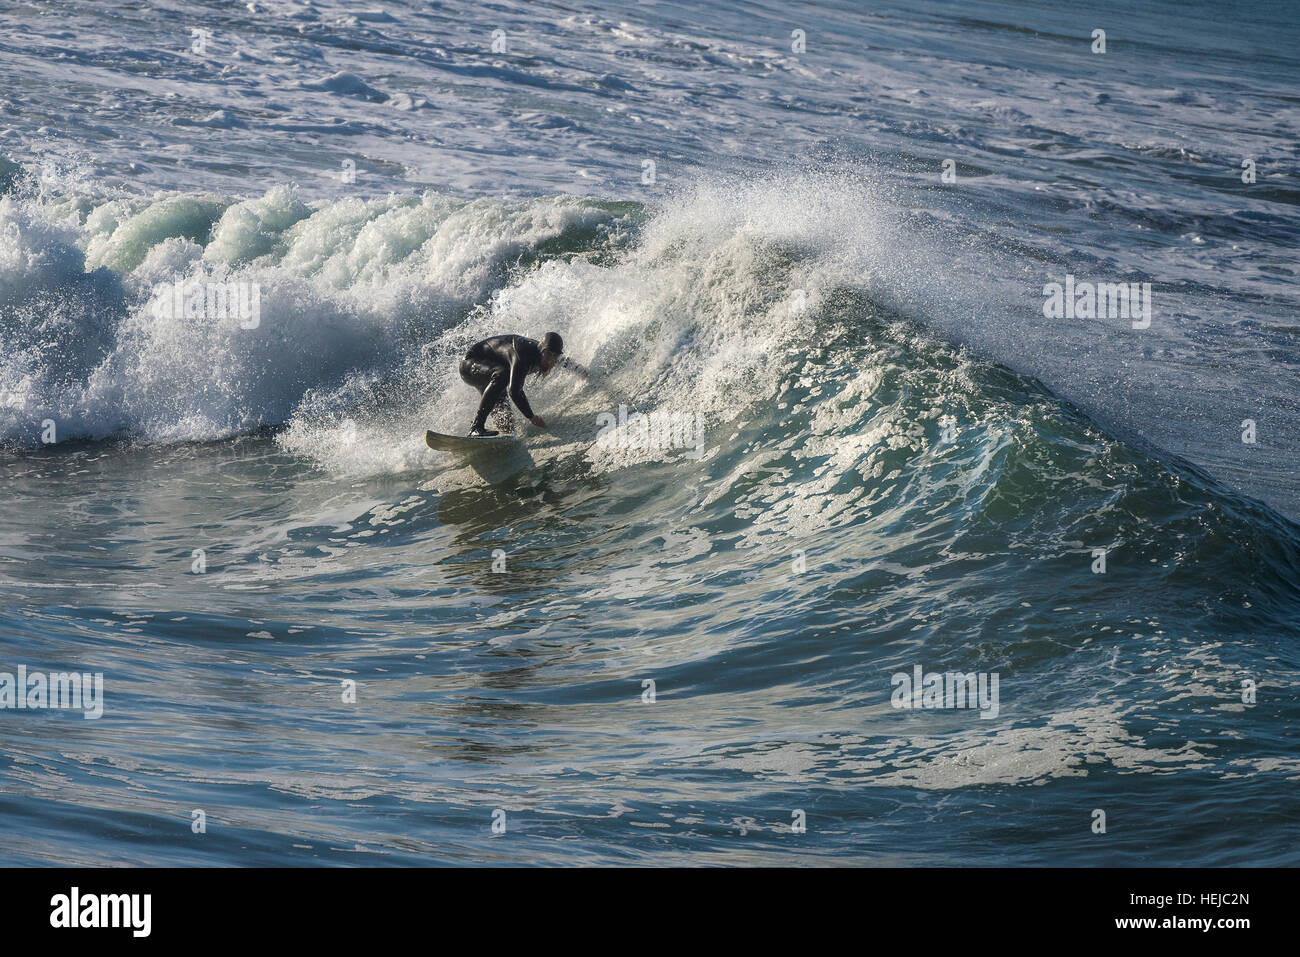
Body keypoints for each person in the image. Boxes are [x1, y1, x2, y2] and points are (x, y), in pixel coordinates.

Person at [458, 331, 587, 437]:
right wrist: (531, 417)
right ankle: (476, 427)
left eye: (554, 356)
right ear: (542, 350)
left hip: (491, 372)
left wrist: (584, 373)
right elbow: (514, 391)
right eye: (547, 354)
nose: (549, 359)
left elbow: (566, 363)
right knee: (503, 375)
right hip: (470, 365)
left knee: (507, 425)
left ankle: (490, 442)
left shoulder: (553, 357)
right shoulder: (522, 356)